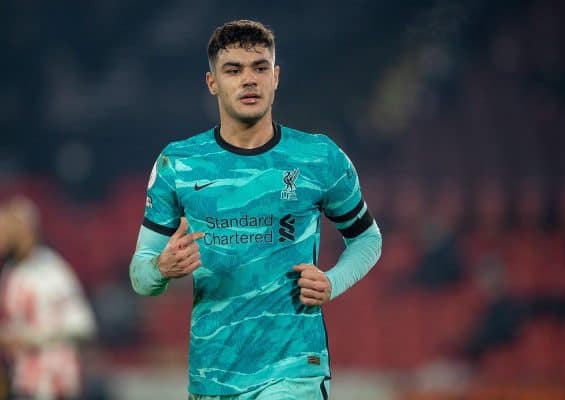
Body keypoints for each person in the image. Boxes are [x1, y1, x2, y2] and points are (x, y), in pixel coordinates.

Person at [129, 19, 382, 400]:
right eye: (234, 70)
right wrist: (162, 269)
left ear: (275, 76)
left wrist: (333, 281)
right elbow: (140, 275)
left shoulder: (318, 158)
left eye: (260, 68)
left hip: (294, 372)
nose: (249, 80)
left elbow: (367, 239)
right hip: (212, 375)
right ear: (212, 82)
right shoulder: (178, 164)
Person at [0, 197, 96, 400]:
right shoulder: (11, 273)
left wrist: (32, 338)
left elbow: (82, 324)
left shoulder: (52, 271)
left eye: (9, 229)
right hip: (21, 380)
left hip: (52, 383)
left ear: (27, 231)